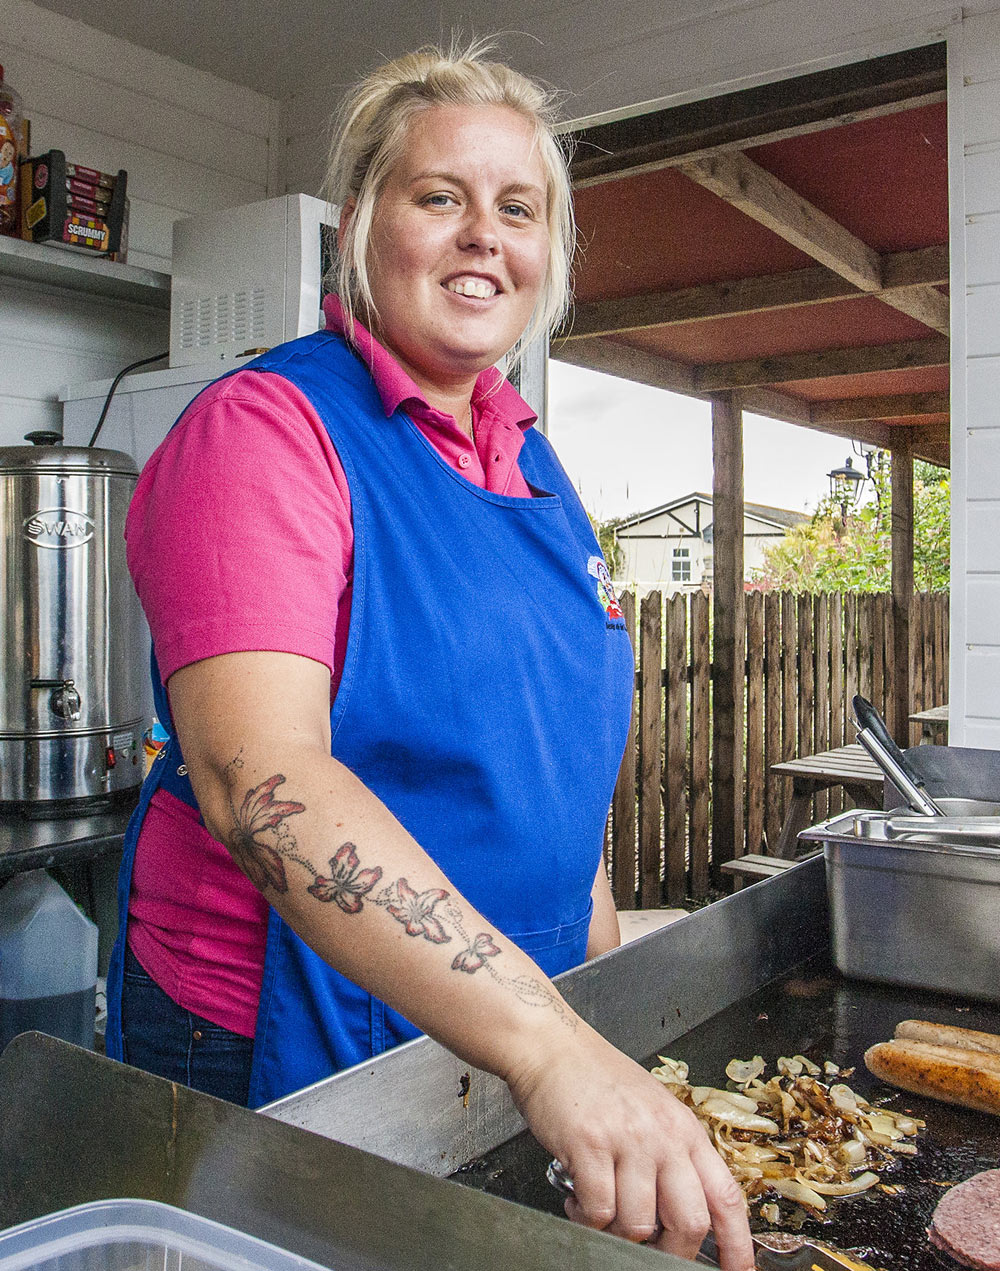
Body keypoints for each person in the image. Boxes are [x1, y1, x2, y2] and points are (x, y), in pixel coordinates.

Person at [104, 42, 754, 1270]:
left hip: (505, 1028)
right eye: (438, 196)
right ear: (361, 228)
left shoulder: (540, 470)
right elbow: (265, 787)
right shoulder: (267, 430)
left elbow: (551, 774)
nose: (481, 237)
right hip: (282, 1033)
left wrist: (605, 1012)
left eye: (517, 209)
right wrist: (555, 1046)